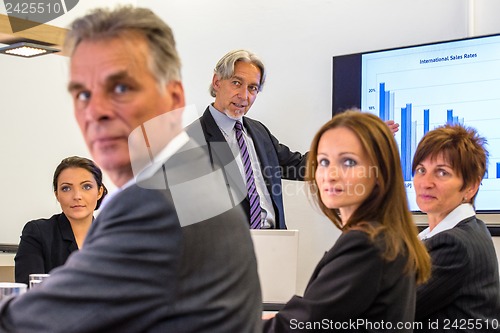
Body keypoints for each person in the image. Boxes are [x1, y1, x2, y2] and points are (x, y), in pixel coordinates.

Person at [0, 6, 261, 333]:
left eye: (120, 88)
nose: (96, 112)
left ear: (173, 97)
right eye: (83, 94)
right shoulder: (198, 180)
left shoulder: (156, 200)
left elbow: (42, 320)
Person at [187, 49, 399, 229]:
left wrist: (361, 142)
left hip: (275, 247)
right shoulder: (191, 139)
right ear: (217, 82)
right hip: (224, 257)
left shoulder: (258, 132)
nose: (244, 96)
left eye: (252, 88)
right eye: (236, 83)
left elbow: (300, 166)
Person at [262, 110, 430, 332]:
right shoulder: (382, 235)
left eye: (348, 162)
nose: (330, 174)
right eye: (323, 161)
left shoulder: (367, 245)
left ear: (379, 171)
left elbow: (299, 326)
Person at [412, 124, 500, 329]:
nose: (426, 182)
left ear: (470, 186)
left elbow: (389, 311)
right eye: (421, 170)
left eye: (441, 173)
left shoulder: (455, 244)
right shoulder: (464, 230)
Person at [15, 156, 107, 285]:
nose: (77, 196)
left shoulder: (113, 238)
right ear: (57, 195)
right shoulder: (38, 233)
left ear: (99, 192)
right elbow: (30, 294)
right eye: (66, 188)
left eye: (86, 187)